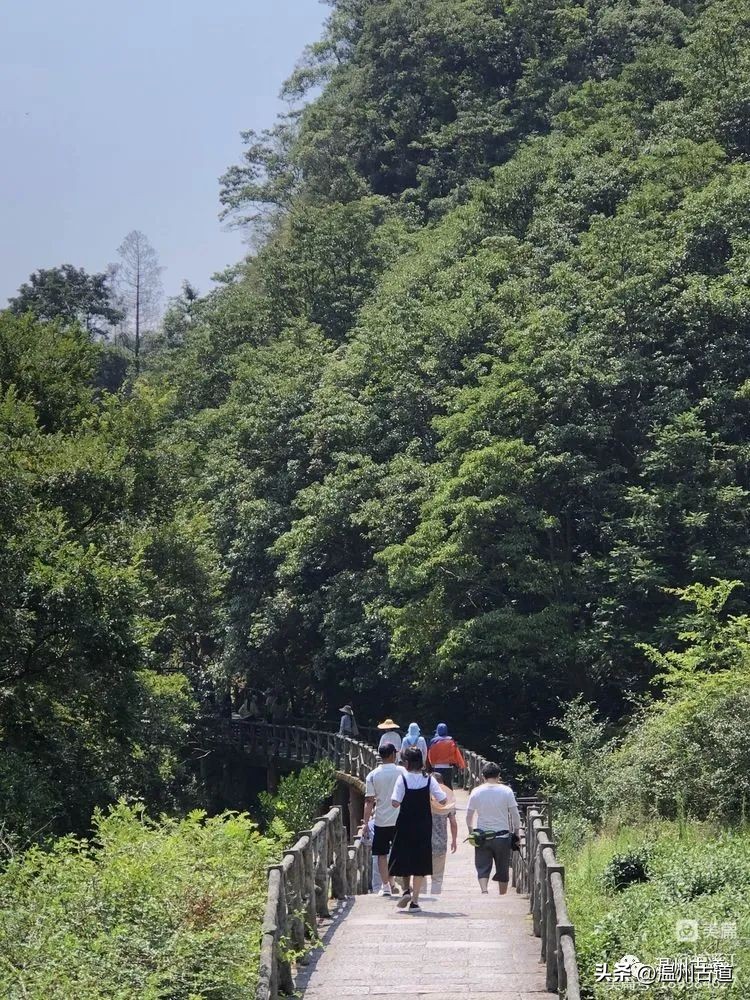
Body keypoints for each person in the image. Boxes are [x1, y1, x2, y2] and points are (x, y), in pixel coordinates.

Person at [389, 747, 447, 912]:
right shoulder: (429, 779)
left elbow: (395, 802)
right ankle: (414, 901)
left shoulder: (402, 779)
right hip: (423, 825)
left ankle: (406, 890)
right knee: (420, 860)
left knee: (404, 856)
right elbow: (442, 800)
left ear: (406, 763)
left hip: (405, 824)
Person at [465, 762, 521, 895]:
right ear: (498, 775)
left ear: (483, 776)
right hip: (502, 837)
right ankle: (502, 895)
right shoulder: (506, 791)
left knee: (482, 865)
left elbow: (469, 815)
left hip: (482, 836)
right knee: (503, 868)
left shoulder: (476, 791)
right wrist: (516, 833)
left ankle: (484, 890)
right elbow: (515, 815)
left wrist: (470, 830)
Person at [363, 743, 406, 896]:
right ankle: (393, 881)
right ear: (393, 755)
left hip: (381, 819)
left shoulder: (373, 775)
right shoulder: (402, 771)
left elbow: (369, 801)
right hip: (400, 819)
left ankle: (386, 885)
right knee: (398, 851)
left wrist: (365, 823)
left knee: (381, 853)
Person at [429, 772, 457, 894]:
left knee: (420, 873)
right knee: (438, 876)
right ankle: (436, 896)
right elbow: (453, 821)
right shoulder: (448, 798)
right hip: (441, 841)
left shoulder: (426, 796)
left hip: (423, 841)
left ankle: (422, 895)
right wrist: (454, 840)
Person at [427, 722, 466, 789]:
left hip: (437, 767)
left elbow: (430, 754)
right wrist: (461, 765)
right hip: (448, 767)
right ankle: (450, 798)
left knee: (438, 785)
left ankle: (439, 798)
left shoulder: (433, 742)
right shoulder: (451, 741)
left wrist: (432, 764)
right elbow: (457, 754)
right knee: (448, 785)